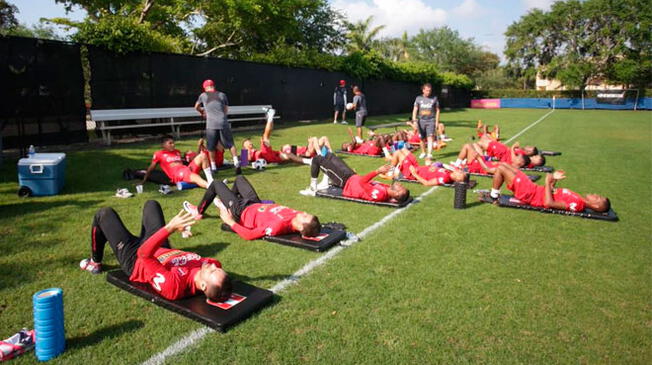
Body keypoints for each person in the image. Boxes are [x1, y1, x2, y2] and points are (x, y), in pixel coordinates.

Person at [79, 200, 231, 301]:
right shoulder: (210, 267)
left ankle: (95, 262)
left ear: (203, 286)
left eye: (212, 271)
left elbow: (143, 254)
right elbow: (214, 265)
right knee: (152, 204)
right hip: (160, 247)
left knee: (104, 214)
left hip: (136, 259)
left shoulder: (175, 286)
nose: (212, 265)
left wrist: (169, 228)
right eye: (216, 268)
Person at [183, 176, 321, 240]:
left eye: (305, 216)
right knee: (239, 179)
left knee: (216, 183)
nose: (303, 212)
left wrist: (230, 221)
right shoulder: (296, 215)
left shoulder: (277, 226)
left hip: (241, 211)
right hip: (255, 203)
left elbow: (250, 235)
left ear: (301, 228)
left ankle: (198, 211)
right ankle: (228, 201)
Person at [486, 163, 610, 212]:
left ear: (595, 206)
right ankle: (487, 171)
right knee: (505, 165)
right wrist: (553, 180)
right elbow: (552, 193)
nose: (595, 194)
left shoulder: (577, 204)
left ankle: (493, 196)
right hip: (533, 189)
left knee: (501, 169)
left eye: (597, 197)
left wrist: (547, 182)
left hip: (530, 194)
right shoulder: (579, 199)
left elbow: (549, 203)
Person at [300, 153, 410, 204]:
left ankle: (312, 188)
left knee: (317, 159)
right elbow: (366, 183)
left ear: (396, 194)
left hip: (345, 182)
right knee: (330, 156)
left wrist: (378, 171)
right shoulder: (386, 189)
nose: (400, 185)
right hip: (351, 177)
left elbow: (363, 183)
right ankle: (325, 182)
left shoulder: (380, 194)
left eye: (401, 188)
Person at [195, 79, 241, 174]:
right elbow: (226, 109)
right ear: (214, 86)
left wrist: (202, 111)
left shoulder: (203, 95)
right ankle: (236, 162)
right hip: (223, 122)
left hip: (211, 124)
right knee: (230, 144)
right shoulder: (222, 95)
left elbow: (196, 106)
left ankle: (213, 167)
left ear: (204, 88)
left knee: (211, 147)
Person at [141, 135, 212, 188]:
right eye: (170, 143)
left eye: (173, 143)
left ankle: (210, 180)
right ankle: (211, 186)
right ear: (163, 145)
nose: (173, 145)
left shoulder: (177, 152)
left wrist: (199, 146)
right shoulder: (159, 154)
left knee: (203, 155)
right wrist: (144, 180)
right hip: (177, 175)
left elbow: (194, 158)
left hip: (186, 169)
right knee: (195, 177)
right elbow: (151, 168)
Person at [381, 149, 466, 186]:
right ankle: (393, 168)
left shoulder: (444, 178)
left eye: (460, 173)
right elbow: (435, 171)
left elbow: (427, 183)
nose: (459, 171)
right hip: (418, 167)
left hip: (412, 173)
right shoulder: (449, 173)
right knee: (404, 150)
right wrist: (430, 165)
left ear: (457, 179)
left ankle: (390, 173)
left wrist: (414, 174)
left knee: (397, 153)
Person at [412, 83, 440, 159]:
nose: (428, 92)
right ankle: (423, 152)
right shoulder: (418, 98)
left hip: (431, 120)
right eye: (427, 90)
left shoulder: (434, 98)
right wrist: (414, 120)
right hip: (421, 121)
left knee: (430, 137)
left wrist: (437, 122)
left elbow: (437, 110)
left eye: (429, 91)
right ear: (423, 90)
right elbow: (415, 110)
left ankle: (429, 153)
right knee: (421, 138)